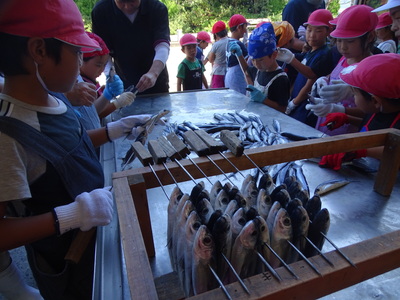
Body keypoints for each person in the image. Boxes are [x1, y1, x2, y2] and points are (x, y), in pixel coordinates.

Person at [0, 0, 152, 298]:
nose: (82, 61)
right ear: (39, 51)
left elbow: (70, 145)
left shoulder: (55, 99)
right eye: (77, 52)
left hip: (98, 239)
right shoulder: (9, 134)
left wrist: (111, 131)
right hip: (66, 262)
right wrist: (70, 215)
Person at [317, 53, 400, 170]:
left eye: (354, 93)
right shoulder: (382, 108)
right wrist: (347, 118)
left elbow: (395, 149)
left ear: (375, 101)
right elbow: (373, 127)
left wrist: (359, 149)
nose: (353, 97)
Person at [305, 5, 379, 136]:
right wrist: (324, 79)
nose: (343, 47)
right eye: (339, 40)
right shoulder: (344, 58)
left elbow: (372, 113)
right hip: (325, 128)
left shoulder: (372, 69)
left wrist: (339, 109)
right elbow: (336, 75)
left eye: (350, 41)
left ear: (370, 37)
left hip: (346, 133)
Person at [92, 0, 170, 95]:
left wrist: (153, 73)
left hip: (156, 78)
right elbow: (103, 51)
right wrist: (111, 76)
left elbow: (162, 45)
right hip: (123, 78)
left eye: (132, 1)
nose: (127, 7)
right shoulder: (101, 11)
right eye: (121, 2)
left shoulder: (157, 8)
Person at [280, 9, 333, 126]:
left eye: (318, 31)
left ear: (328, 31)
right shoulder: (311, 51)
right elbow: (300, 75)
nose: (312, 35)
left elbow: (311, 77)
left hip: (306, 107)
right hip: (297, 102)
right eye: (309, 30)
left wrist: (294, 102)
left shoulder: (324, 54)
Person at [75, 32, 135, 131]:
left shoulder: (90, 79)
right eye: (98, 65)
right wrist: (116, 103)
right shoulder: (79, 85)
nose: (102, 70)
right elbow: (93, 113)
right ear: (80, 60)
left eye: (104, 65)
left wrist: (105, 92)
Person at [228, 22, 290, 113]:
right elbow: (247, 72)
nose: (256, 64)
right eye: (253, 60)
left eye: (260, 60)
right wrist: (239, 55)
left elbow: (282, 109)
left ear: (274, 55)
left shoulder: (281, 79)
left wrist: (263, 99)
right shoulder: (260, 70)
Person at [225, 14, 249, 95]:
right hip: (237, 78)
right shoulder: (238, 45)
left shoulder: (228, 42)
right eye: (245, 27)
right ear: (239, 27)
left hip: (229, 77)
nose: (245, 31)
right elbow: (247, 67)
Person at [206, 21, 229, 88]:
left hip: (218, 72)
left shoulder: (216, 45)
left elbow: (210, 59)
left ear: (216, 34)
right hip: (228, 70)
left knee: (217, 92)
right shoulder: (231, 41)